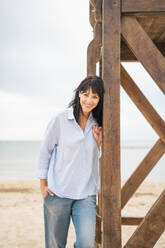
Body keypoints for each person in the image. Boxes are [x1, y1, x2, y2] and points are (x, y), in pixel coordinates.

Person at [36, 75, 104, 248]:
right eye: (86, 94)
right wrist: (43, 186)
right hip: (58, 193)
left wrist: (99, 144)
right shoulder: (60, 120)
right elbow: (45, 152)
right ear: (78, 94)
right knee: (55, 245)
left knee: (86, 243)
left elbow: (95, 158)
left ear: (100, 99)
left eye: (95, 96)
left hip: (86, 194)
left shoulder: (97, 125)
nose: (89, 100)